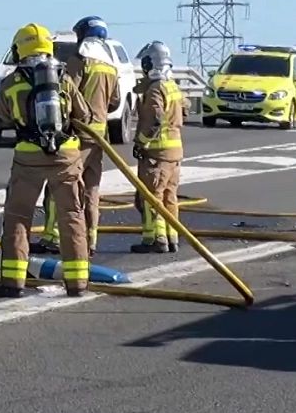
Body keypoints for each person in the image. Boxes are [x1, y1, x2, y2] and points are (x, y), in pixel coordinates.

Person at [0, 23, 92, 298]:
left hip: (28, 157)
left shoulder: (12, 82)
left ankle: (13, 282)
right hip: (66, 157)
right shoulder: (63, 77)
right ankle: (77, 283)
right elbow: (84, 115)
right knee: (71, 216)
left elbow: (1, 117)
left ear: (19, 50)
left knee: (18, 217)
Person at [38, 16, 120, 257]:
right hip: (99, 137)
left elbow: (66, 92)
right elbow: (115, 102)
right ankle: (90, 240)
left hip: (79, 134)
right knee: (91, 190)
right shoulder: (110, 66)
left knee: (60, 185)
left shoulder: (79, 61)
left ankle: (53, 237)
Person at [132, 41, 185, 254]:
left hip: (156, 153)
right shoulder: (173, 86)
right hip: (174, 153)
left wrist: (142, 142)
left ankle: (155, 238)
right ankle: (172, 238)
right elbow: (185, 109)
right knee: (169, 196)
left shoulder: (155, 89)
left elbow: (155, 119)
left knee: (151, 196)